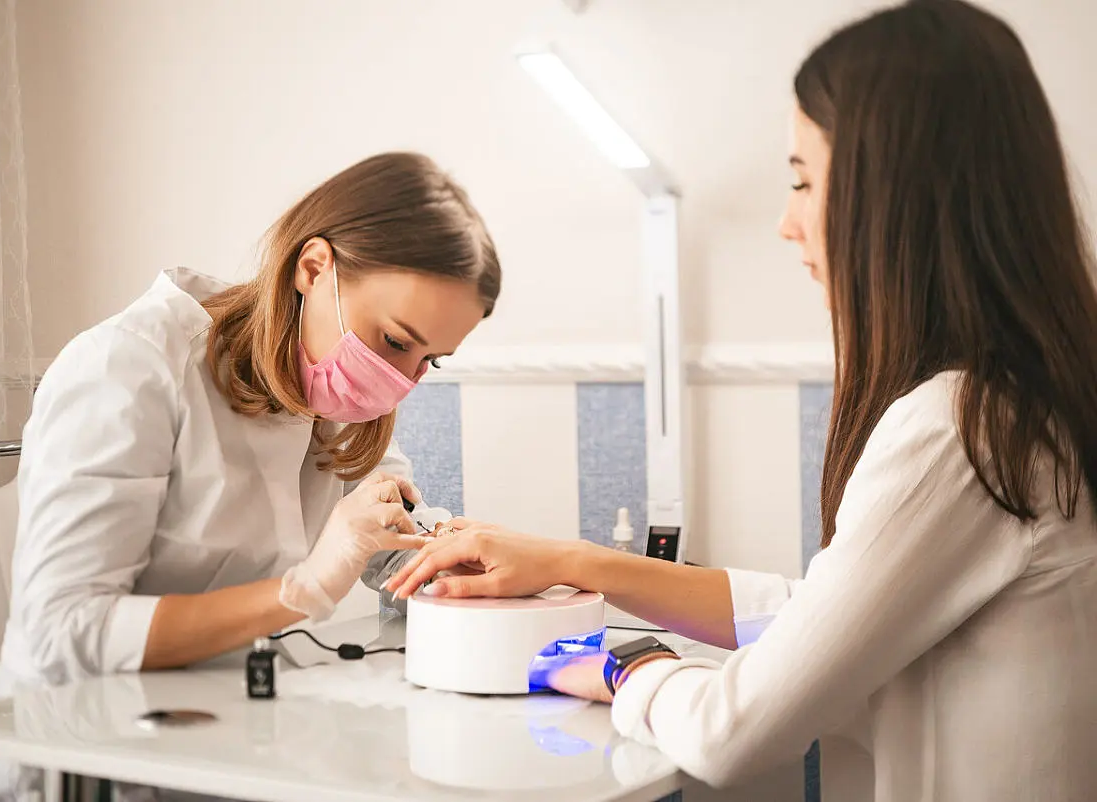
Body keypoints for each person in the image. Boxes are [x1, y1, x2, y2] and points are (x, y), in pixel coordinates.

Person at [386, 1, 1097, 799]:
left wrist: (627, 671)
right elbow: (817, 619)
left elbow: (733, 730)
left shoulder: (960, 432)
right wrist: (571, 561)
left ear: (896, 194)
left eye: (803, 180)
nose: (787, 224)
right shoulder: (1028, 404)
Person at [0, 151, 501, 801]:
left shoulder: (330, 388)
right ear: (314, 268)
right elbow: (62, 633)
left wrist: (452, 556)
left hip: (224, 739)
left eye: (429, 361)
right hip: (76, 757)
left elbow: (389, 533)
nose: (400, 381)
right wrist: (305, 587)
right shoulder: (128, 369)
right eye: (392, 341)